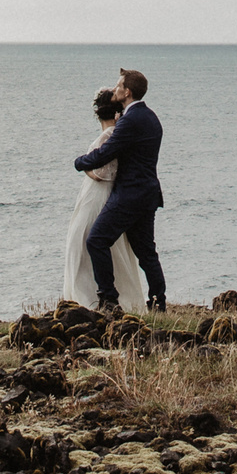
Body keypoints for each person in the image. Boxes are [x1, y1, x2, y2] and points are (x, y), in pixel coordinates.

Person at [73, 67, 166, 312]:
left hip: (129, 196)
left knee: (96, 241)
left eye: (118, 86)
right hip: (147, 194)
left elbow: (106, 152)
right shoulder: (151, 118)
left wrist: (79, 162)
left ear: (127, 92)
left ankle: (109, 300)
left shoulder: (130, 120)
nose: (115, 89)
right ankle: (159, 304)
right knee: (147, 254)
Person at [63, 89, 149, 311]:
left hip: (98, 194)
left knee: (83, 242)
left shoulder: (109, 135)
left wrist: (85, 168)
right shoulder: (115, 132)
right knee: (100, 246)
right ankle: (96, 296)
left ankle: (90, 297)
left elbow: (104, 173)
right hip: (101, 194)